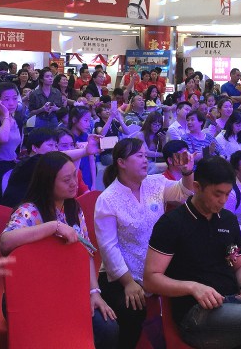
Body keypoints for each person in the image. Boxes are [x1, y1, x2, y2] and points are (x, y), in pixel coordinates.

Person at [144, 156, 241, 348]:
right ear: (197, 187)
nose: (223, 201)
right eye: (217, 194)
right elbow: (151, 279)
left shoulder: (227, 219)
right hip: (195, 315)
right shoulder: (172, 223)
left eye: (227, 194)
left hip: (231, 304)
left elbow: (240, 265)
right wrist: (193, 287)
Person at [0, 152, 119, 348]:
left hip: (67, 290)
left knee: (107, 327)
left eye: (75, 176)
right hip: (30, 294)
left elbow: (87, 254)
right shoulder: (29, 211)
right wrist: (52, 227)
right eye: (66, 179)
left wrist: (94, 292)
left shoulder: (73, 209)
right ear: (48, 182)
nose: (74, 183)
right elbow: (5, 242)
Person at [94, 138, 194, 348]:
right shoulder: (108, 199)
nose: (145, 160)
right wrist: (128, 283)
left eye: (146, 156)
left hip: (156, 268)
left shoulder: (154, 183)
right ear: (121, 162)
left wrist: (187, 172)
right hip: (121, 274)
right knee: (132, 309)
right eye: (139, 156)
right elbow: (108, 248)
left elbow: (183, 192)